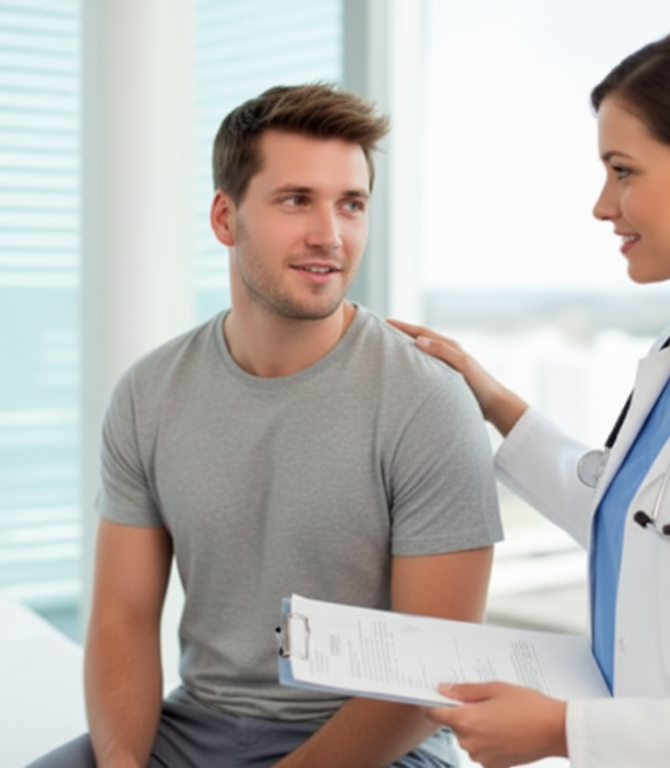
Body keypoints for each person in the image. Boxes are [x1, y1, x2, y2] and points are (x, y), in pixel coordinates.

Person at [30, 84, 503, 768]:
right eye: (295, 200)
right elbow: (123, 617)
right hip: (191, 731)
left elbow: (432, 663)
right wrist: (124, 765)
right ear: (226, 218)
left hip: (377, 747)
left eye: (352, 204)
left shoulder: (427, 399)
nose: (329, 235)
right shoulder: (149, 392)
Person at [390, 22, 670, 768]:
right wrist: (492, 398)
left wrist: (566, 732)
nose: (602, 205)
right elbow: (630, 514)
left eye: (623, 171)